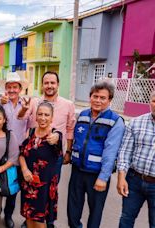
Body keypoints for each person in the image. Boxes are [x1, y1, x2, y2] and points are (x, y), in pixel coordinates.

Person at [19, 71, 75, 228]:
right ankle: (33, 220)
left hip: (53, 159)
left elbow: (69, 130)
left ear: (58, 84)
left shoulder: (68, 105)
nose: (49, 86)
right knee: (31, 207)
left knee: (48, 194)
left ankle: (46, 222)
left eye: (53, 83)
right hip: (30, 168)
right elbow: (21, 117)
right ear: (42, 85)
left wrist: (67, 151)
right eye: (46, 83)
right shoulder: (34, 103)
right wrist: (24, 109)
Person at [67, 81, 125, 228]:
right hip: (77, 171)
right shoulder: (82, 115)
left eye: (102, 98)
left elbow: (111, 152)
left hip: (97, 175)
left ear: (109, 100)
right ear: (90, 97)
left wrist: (103, 178)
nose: (98, 100)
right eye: (95, 96)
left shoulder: (115, 121)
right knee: (72, 210)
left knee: (95, 213)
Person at [19, 101, 62, 228]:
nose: (43, 118)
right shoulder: (31, 132)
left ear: (52, 117)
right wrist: (25, 170)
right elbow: (21, 153)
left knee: (39, 221)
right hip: (28, 183)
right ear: (36, 116)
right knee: (29, 218)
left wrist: (57, 137)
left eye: (47, 115)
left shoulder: (55, 135)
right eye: (40, 114)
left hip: (45, 187)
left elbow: (58, 140)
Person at [0, 71, 29, 228]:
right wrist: (0, 104)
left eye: (15, 87)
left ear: (20, 88)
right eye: (9, 87)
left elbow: (28, 126)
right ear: (5, 88)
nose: (12, 90)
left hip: (18, 152)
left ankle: (8, 215)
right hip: (0, 148)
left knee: (13, 185)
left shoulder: (26, 104)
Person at [116, 91, 155, 228]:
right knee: (126, 219)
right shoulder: (136, 122)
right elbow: (125, 152)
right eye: (154, 101)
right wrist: (121, 177)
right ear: (150, 102)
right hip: (134, 181)